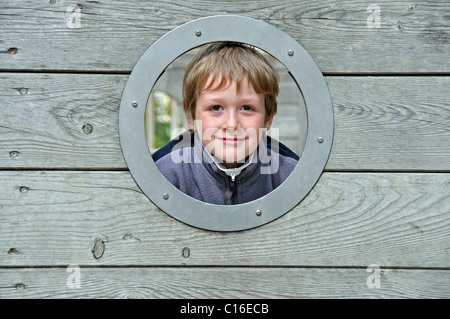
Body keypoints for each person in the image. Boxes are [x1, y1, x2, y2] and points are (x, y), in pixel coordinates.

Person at [152, 42, 299, 205]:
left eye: (247, 108)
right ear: (190, 115)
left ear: (268, 118)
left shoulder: (290, 174)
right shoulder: (166, 174)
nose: (231, 124)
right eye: (216, 107)